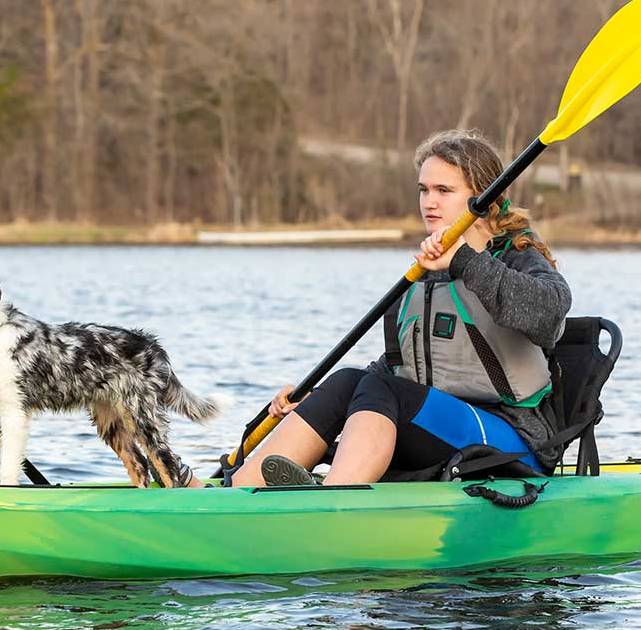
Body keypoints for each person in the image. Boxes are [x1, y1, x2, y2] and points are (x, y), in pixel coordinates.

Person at [230, 128, 571, 487]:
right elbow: (398, 368)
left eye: (444, 190)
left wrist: (466, 262)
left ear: (483, 197)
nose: (429, 202)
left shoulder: (519, 258)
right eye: (424, 189)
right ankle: (235, 494)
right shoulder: (424, 275)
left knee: (382, 389)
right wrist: (316, 403)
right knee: (347, 381)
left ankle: (333, 499)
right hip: (433, 428)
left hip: (509, 440)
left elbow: (550, 315)